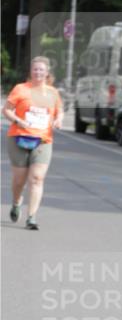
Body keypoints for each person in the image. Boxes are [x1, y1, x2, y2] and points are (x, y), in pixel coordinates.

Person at [3, 56, 64, 231]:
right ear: (31, 72)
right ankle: (16, 203)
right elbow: (6, 110)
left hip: (43, 140)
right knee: (19, 180)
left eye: (41, 70)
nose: (38, 72)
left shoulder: (52, 93)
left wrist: (58, 120)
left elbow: (59, 111)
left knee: (37, 178)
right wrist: (18, 121)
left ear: (47, 73)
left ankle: (32, 217)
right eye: (35, 69)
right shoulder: (20, 89)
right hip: (19, 137)